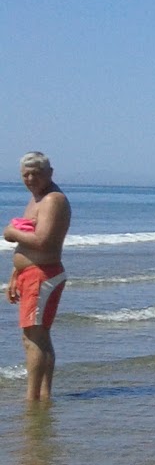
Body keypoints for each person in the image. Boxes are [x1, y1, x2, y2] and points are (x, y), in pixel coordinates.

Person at [6, 153, 70, 403]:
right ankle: (42, 395)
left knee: (33, 337)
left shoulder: (54, 200)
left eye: (36, 173)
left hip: (43, 275)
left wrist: (11, 233)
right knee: (38, 335)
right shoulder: (36, 199)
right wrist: (15, 273)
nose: (31, 178)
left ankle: (32, 398)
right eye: (26, 174)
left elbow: (43, 242)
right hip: (30, 273)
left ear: (50, 173)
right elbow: (30, 242)